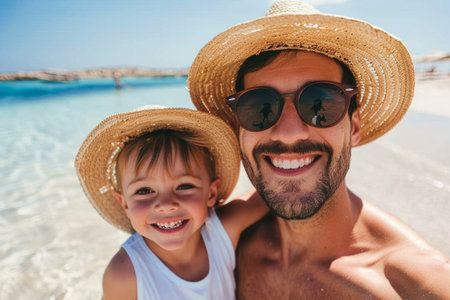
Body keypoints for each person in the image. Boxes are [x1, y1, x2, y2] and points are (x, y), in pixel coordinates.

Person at [187, 0, 450, 298]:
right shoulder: (217, 247)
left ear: (354, 127)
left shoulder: (411, 286)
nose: (288, 133)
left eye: (320, 105)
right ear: (239, 129)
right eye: (259, 106)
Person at [75, 106, 267, 299]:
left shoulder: (221, 231)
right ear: (125, 204)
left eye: (184, 186)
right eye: (144, 191)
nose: (166, 204)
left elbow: (273, 196)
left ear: (211, 193)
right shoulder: (125, 275)